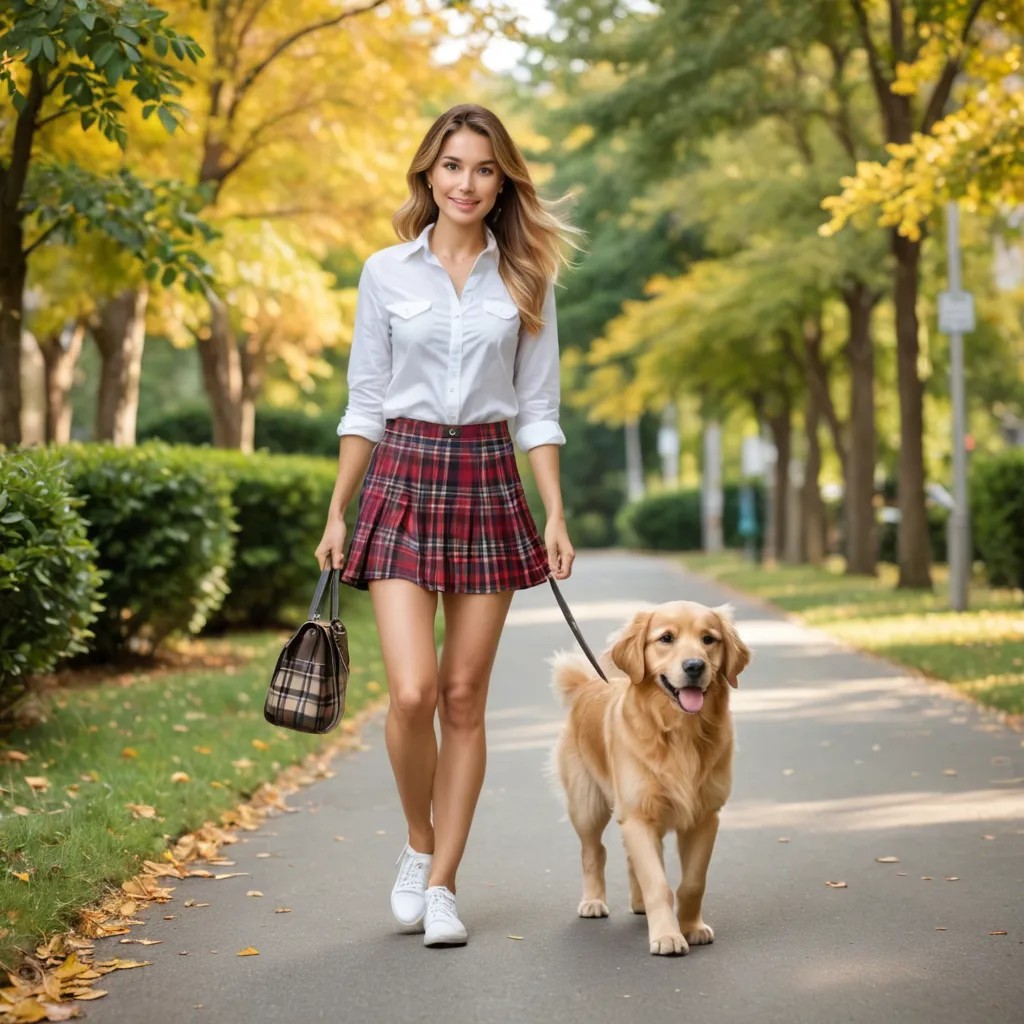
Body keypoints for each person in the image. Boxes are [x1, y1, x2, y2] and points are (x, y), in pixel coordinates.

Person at [314, 104, 578, 949]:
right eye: (454, 165)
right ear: (429, 174)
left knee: (464, 697)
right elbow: (365, 400)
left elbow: (536, 408)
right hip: (401, 478)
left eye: (484, 168)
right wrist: (338, 505)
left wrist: (555, 511)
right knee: (414, 692)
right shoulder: (384, 272)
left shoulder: (527, 277)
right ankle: (417, 841)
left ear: (504, 182)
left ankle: (442, 886)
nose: (467, 183)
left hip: (489, 480)